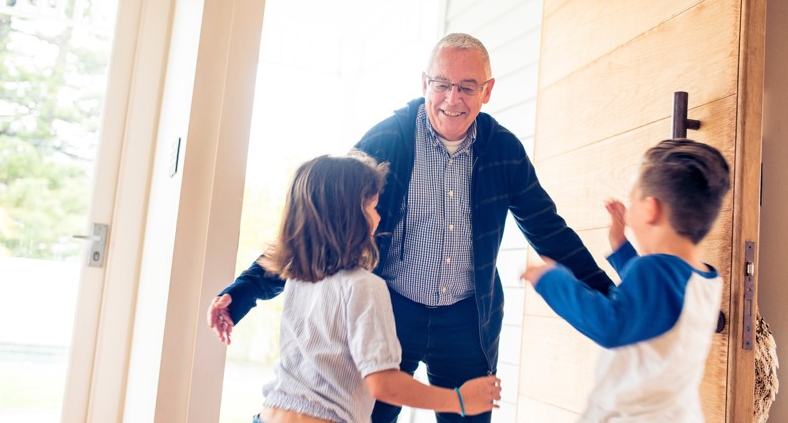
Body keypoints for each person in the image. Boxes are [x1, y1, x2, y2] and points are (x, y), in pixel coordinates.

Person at [209, 33, 613, 423]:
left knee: (469, 412)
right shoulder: (387, 141)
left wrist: (612, 300)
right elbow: (321, 220)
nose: (453, 99)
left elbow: (548, 230)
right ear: (425, 83)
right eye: (442, 85)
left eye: (468, 88)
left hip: (466, 319)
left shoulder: (504, 151)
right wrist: (242, 292)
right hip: (391, 307)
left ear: (487, 91)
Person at [221, 152, 501, 423]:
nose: (379, 218)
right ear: (348, 216)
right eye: (372, 207)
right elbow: (383, 384)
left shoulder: (298, 278)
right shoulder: (364, 287)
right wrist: (460, 400)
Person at [521, 139, 731, 422]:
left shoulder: (657, 272)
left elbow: (611, 324)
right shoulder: (706, 278)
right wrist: (620, 245)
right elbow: (650, 303)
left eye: (633, 201)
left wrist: (551, 280)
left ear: (650, 210)